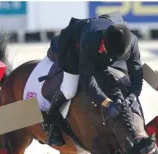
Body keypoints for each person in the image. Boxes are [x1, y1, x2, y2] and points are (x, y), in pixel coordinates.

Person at [45, 13, 144, 146]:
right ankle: (51, 120)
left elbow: (137, 73)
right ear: (103, 42)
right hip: (76, 49)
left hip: (111, 52)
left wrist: (133, 95)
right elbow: (88, 80)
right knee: (69, 89)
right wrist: (107, 103)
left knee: (125, 82)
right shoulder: (89, 39)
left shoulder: (131, 41)